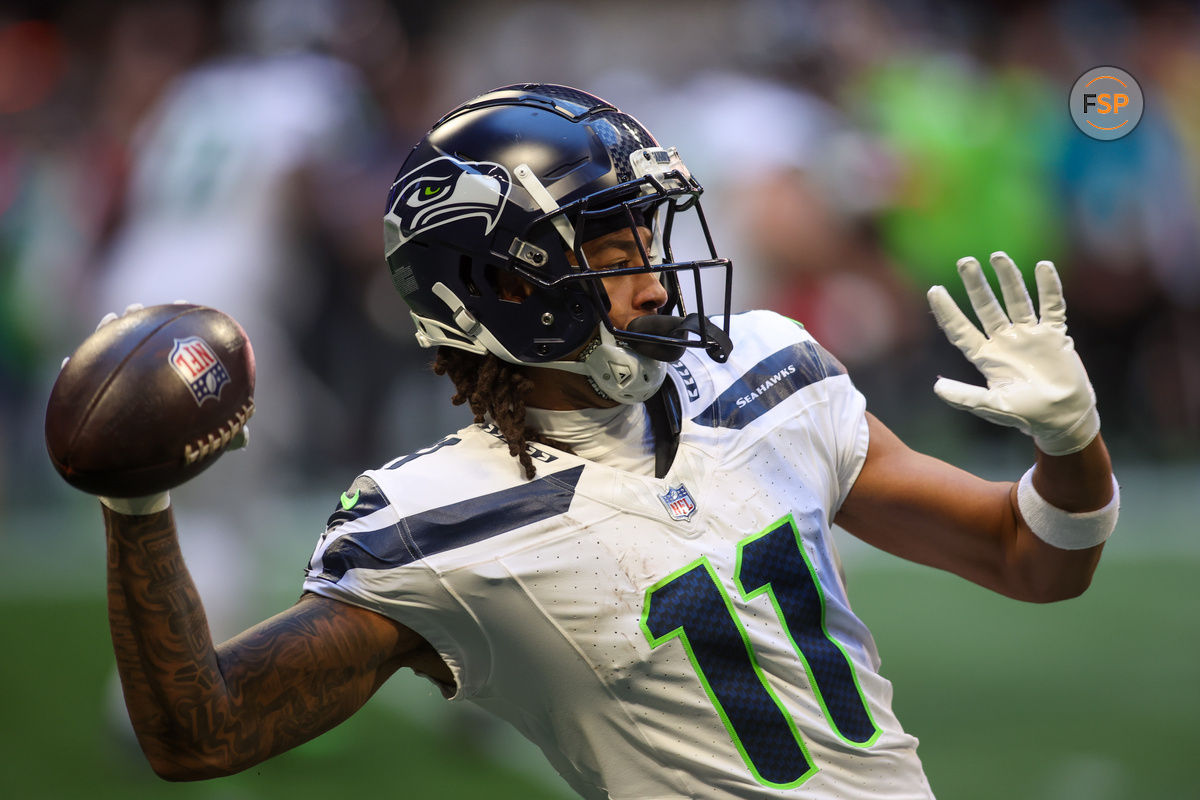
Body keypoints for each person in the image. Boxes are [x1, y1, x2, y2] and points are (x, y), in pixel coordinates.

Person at [89, 84, 1117, 799]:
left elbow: (1031, 558)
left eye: (650, 238)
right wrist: (137, 508)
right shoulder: (437, 521)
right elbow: (198, 730)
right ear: (506, 286)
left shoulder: (772, 373)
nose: (659, 279)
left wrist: (1073, 442)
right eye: (615, 249)